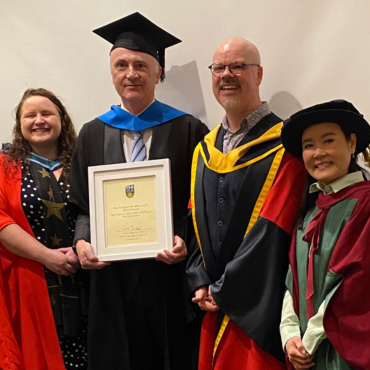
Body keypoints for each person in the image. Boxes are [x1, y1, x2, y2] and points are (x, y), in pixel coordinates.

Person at [69, 12, 209, 370]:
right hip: (112, 280)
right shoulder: (91, 133)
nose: (130, 73)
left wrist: (182, 237)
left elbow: (202, 204)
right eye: (121, 65)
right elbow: (82, 207)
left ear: (158, 72)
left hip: (169, 278)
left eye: (140, 65)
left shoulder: (189, 129)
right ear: (112, 72)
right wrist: (83, 242)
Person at [186, 37, 306, 370]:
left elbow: (273, 231)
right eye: (219, 67)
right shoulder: (204, 151)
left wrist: (223, 290)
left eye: (238, 66)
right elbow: (196, 222)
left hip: (260, 310)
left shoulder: (286, 146)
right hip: (213, 305)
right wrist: (198, 279)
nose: (227, 74)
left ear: (259, 74)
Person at [0, 88, 88, 369]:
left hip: (87, 279)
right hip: (32, 280)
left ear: (62, 120)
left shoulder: (83, 163)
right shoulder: (5, 167)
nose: (39, 120)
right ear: (20, 124)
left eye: (47, 113)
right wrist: (47, 256)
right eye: (30, 115)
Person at [279, 100, 370, 370]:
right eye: (309, 145)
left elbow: (352, 288)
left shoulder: (364, 205)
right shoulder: (308, 211)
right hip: (309, 352)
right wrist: (290, 335)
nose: (318, 153)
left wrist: (309, 339)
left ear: (352, 143)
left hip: (347, 351)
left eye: (328, 141)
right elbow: (292, 280)